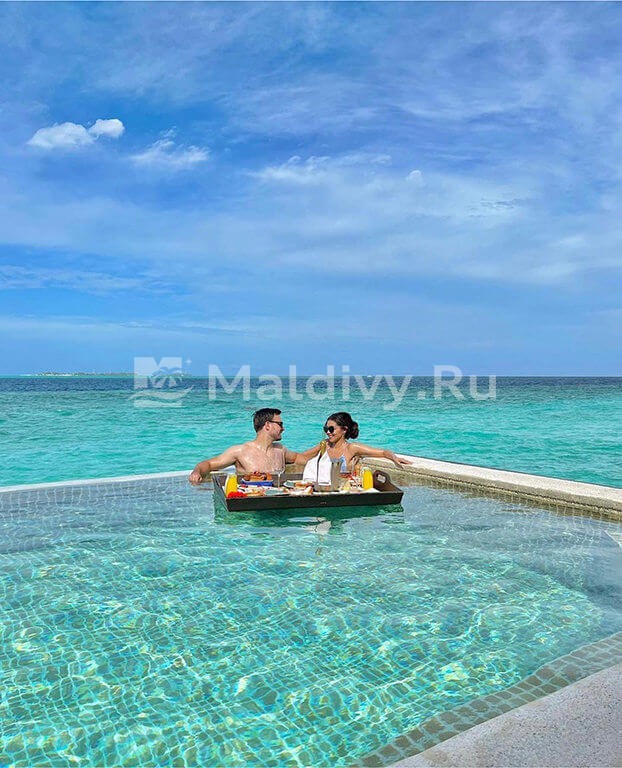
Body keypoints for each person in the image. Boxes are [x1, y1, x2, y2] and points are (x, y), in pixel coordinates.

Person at [188, 408, 316, 485]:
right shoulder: (240, 451)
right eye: (280, 424)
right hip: (251, 503)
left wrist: (324, 444)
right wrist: (196, 472)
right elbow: (209, 464)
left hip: (277, 500)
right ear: (267, 425)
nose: (283, 428)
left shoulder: (280, 450)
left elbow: (303, 458)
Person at [302, 411, 410, 484]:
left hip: (345, 492)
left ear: (344, 430)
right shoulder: (324, 445)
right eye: (326, 429)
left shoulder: (352, 448)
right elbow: (302, 457)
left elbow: (383, 452)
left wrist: (394, 458)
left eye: (331, 429)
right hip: (324, 489)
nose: (328, 432)